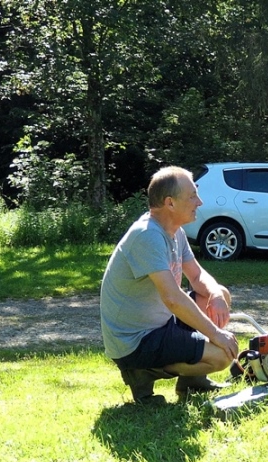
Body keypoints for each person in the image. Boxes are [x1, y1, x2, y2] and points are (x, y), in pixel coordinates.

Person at [100, 166, 240, 405]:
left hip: (160, 324)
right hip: (136, 341)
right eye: (192, 196)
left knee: (219, 294)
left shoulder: (175, 232)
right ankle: (140, 372)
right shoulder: (147, 235)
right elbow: (173, 299)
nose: (199, 201)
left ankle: (192, 383)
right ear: (170, 203)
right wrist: (216, 335)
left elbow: (196, 277)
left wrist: (215, 292)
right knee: (220, 357)